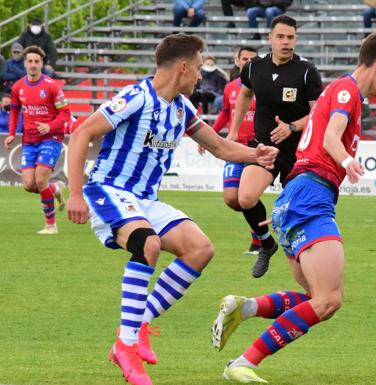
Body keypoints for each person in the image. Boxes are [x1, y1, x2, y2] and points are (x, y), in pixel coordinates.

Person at [65, 34, 278, 385]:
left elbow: (221, 147)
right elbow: (82, 133)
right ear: (182, 68)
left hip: (145, 199)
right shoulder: (136, 97)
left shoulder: (181, 108)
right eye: (197, 69)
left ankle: (138, 323)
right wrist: (74, 193)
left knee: (200, 249)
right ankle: (127, 346)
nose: (199, 77)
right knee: (147, 245)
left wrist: (256, 154)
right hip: (109, 190)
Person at [210, 31, 376, 384]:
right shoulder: (348, 92)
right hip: (310, 196)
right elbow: (332, 137)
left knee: (318, 300)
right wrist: (346, 161)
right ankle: (242, 364)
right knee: (328, 300)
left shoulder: (338, 90)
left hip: (296, 197)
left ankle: (248, 307)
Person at [228, 15, 323, 278]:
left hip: (298, 152)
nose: (286, 42)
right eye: (280, 37)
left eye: (290, 37)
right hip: (264, 147)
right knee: (244, 198)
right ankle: (266, 244)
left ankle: (306, 258)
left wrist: (291, 126)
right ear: (270, 38)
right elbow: (245, 94)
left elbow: (318, 114)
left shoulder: (306, 71)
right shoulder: (253, 68)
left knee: (298, 213)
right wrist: (234, 130)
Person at [199, 46, 261, 256]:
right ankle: (260, 226)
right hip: (234, 148)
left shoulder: (265, 87)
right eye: (245, 59)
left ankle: (259, 239)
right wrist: (209, 135)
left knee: (246, 196)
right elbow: (226, 113)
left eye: (253, 59)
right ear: (237, 61)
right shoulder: (230, 88)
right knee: (231, 199)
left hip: (256, 147)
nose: (248, 62)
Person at [3, 46, 70, 234]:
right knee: (29, 185)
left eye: (36, 61)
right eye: (30, 61)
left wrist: (50, 126)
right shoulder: (18, 87)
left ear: (42, 63)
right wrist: (11, 133)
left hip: (51, 138)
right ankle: (55, 189)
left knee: (40, 181)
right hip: (29, 140)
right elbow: (15, 111)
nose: (33, 65)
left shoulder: (51, 86)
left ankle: (51, 225)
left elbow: (65, 114)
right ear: (24, 63)